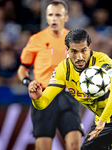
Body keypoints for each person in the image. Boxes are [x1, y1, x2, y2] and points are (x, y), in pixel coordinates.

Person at [28, 28, 112, 150]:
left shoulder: (102, 61)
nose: (79, 57)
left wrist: (103, 119)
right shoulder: (63, 70)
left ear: (90, 47)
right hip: (104, 121)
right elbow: (43, 103)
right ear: (67, 51)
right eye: (74, 51)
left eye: (83, 51)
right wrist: (37, 99)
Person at [17, 1, 83, 150]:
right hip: (44, 95)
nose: (54, 18)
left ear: (66, 17)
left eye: (58, 15)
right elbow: (22, 69)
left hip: (68, 95)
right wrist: (28, 83)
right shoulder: (36, 39)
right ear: (46, 17)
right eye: (51, 15)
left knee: (75, 145)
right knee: (43, 146)